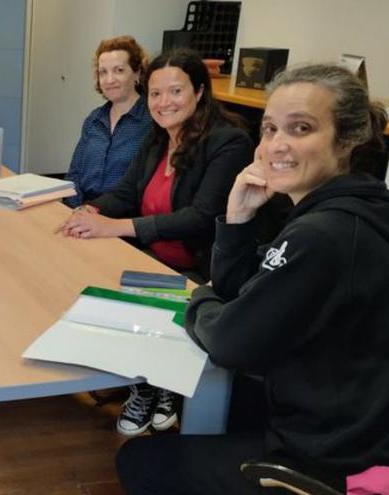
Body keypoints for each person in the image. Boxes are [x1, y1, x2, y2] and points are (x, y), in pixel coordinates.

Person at [116, 64, 389, 493]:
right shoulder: (354, 211)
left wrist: (201, 299)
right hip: (353, 431)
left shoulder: (324, 235)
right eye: (268, 130)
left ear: (347, 140)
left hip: (330, 464)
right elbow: (240, 285)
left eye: (300, 128)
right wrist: (239, 218)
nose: (276, 145)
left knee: (141, 461)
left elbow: (229, 340)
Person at [57, 48, 253, 437]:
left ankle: (154, 385)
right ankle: (153, 383)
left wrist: (118, 227)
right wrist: (91, 212)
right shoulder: (157, 137)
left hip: (199, 268)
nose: (164, 103)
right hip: (150, 258)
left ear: (199, 91)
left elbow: (200, 217)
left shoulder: (229, 143)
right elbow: (127, 192)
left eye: (175, 92)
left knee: (123, 291)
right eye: (156, 94)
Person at [64, 35, 152, 208]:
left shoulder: (151, 122)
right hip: (82, 211)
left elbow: (141, 189)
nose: (109, 80)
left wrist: (94, 214)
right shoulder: (94, 120)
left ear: (137, 72)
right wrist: (77, 210)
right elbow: (74, 175)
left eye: (119, 70)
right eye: (103, 72)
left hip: (120, 217)